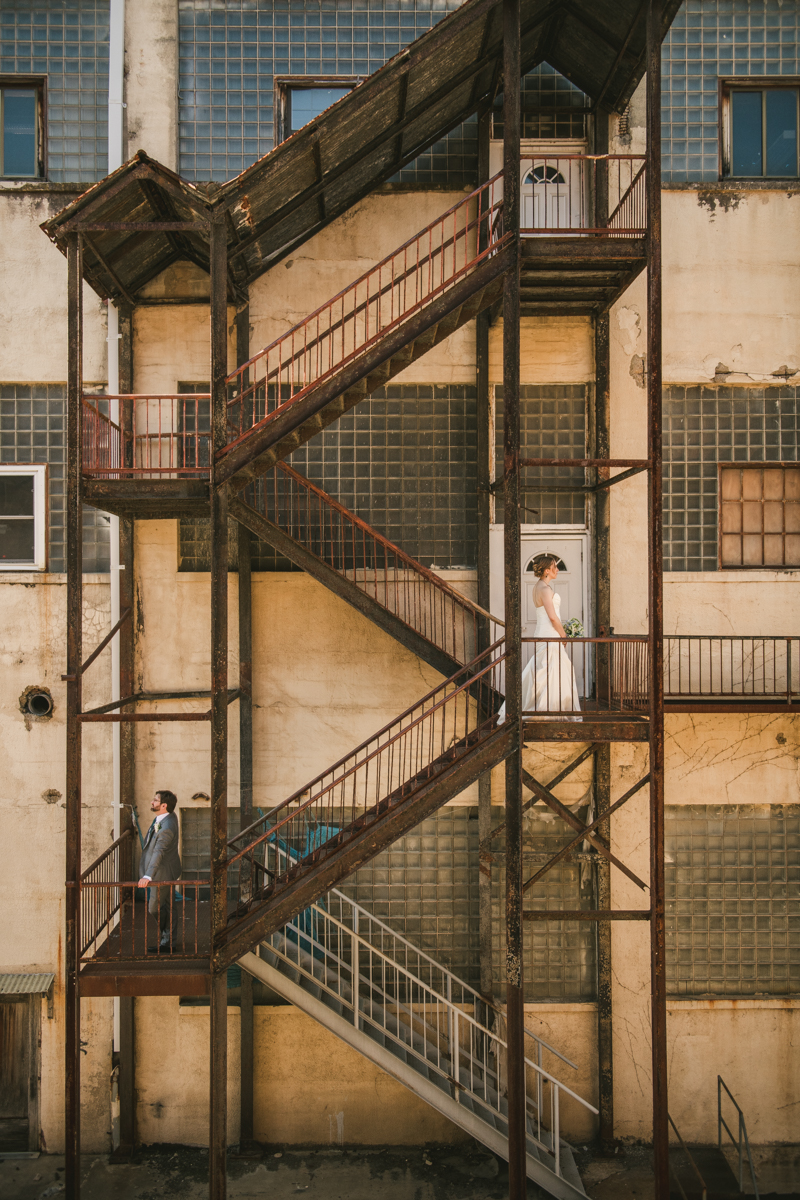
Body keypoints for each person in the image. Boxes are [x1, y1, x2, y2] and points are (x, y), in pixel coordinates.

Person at [499, 552, 581, 721]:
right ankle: (547, 714)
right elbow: (552, 616)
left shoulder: (539, 587)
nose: (557, 570)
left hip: (545, 633)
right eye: (554, 567)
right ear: (546, 570)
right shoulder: (544, 588)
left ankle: (552, 710)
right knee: (551, 671)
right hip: (549, 634)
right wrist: (564, 635)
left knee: (551, 671)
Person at [138, 789, 181, 950]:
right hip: (168, 869)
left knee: (154, 908)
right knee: (169, 906)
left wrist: (148, 875)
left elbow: (159, 852)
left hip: (162, 873)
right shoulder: (168, 816)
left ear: (164, 805)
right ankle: (169, 941)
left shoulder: (167, 828)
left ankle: (166, 937)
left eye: (155, 800)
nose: (152, 802)